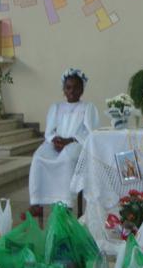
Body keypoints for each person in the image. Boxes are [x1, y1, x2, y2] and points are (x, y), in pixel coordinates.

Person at [28, 68, 99, 214]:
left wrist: (71, 140)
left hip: (76, 144)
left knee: (66, 158)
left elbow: (90, 133)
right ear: (63, 90)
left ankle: (65, 200)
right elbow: (49, 131)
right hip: (56, 143)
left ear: (82, 90)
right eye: (68, 87)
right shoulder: (56, 107)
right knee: (38, 157)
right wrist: (54, 139)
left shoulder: (87, 107)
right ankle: (37, 200)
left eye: (76, 87)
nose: (72, 91)